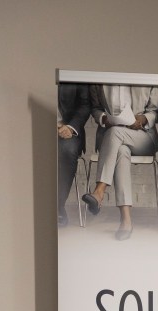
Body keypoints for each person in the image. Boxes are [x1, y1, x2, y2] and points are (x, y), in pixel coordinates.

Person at [82, 86, 158, 241]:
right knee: (122, 151)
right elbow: (96, 109)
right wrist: (104, 118)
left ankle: (99, 191)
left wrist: (142, 119)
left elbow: (154, 111)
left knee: (115, 133)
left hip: (143, 136)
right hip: (113, 140)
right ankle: (126, 220)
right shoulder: (99, 80)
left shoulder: (145, 77)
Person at [57, 83, 91, 227]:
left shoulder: (72, 74)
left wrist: (71, 127)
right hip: (34, 126)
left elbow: (85, 105)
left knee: (67, 150)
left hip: (66, 128)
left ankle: (57, 206)